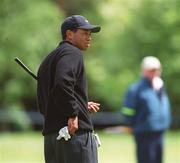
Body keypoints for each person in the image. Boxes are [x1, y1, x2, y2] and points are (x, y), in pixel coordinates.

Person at [37, 15, 101, 163]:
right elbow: (62, 83)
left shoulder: (48, 60)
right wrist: (73, 112)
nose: (89, 37)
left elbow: (46, 100)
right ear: (69, 34)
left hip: (52, 139)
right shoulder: (72, 52)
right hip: (74, 137)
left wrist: (81, 105)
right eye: (84, 33)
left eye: (90, 34)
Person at [121, 56, 171, 163]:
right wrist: (131, 125)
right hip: (143, 133)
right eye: (151, 70)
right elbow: (127, 111)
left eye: (156, 70)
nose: (155, 72)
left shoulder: (159, 86)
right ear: (144, 71)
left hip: (159, 132)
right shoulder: (135, 89)